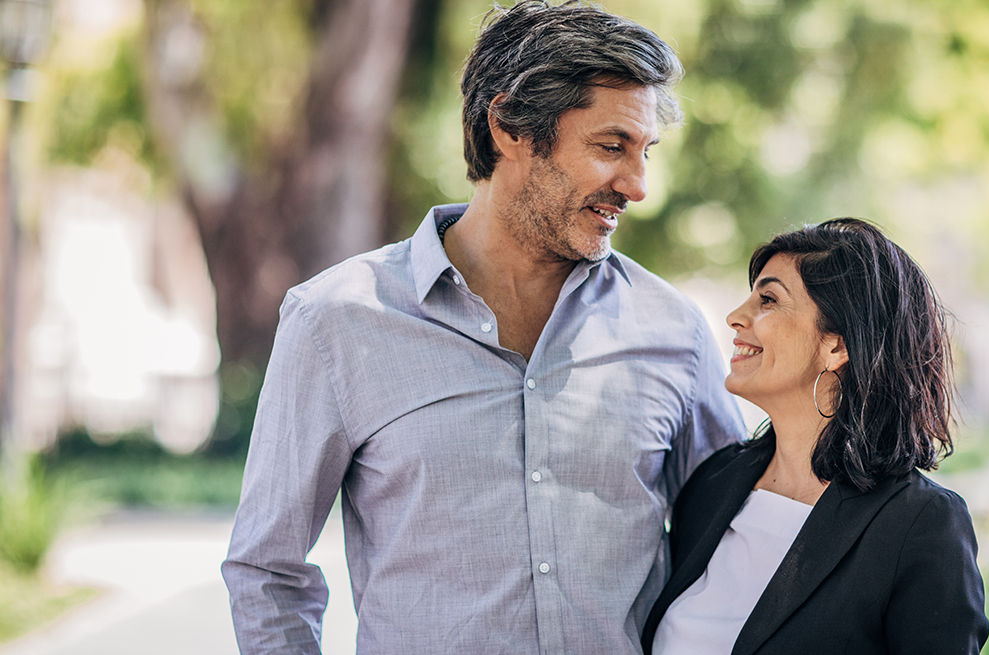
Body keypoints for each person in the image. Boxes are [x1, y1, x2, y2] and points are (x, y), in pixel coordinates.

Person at [221, 2, 745, 653]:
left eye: (645, 152)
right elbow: (266, 570)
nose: (636, 185)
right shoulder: (337, 321)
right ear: (508, 127)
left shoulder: (674, 331)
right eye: (611, 147)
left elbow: (736, 547)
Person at [642, 219, 989, 655]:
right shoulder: (713, 482)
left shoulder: (921, 524)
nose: (736, 317)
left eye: (768, 299)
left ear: (837, 346)